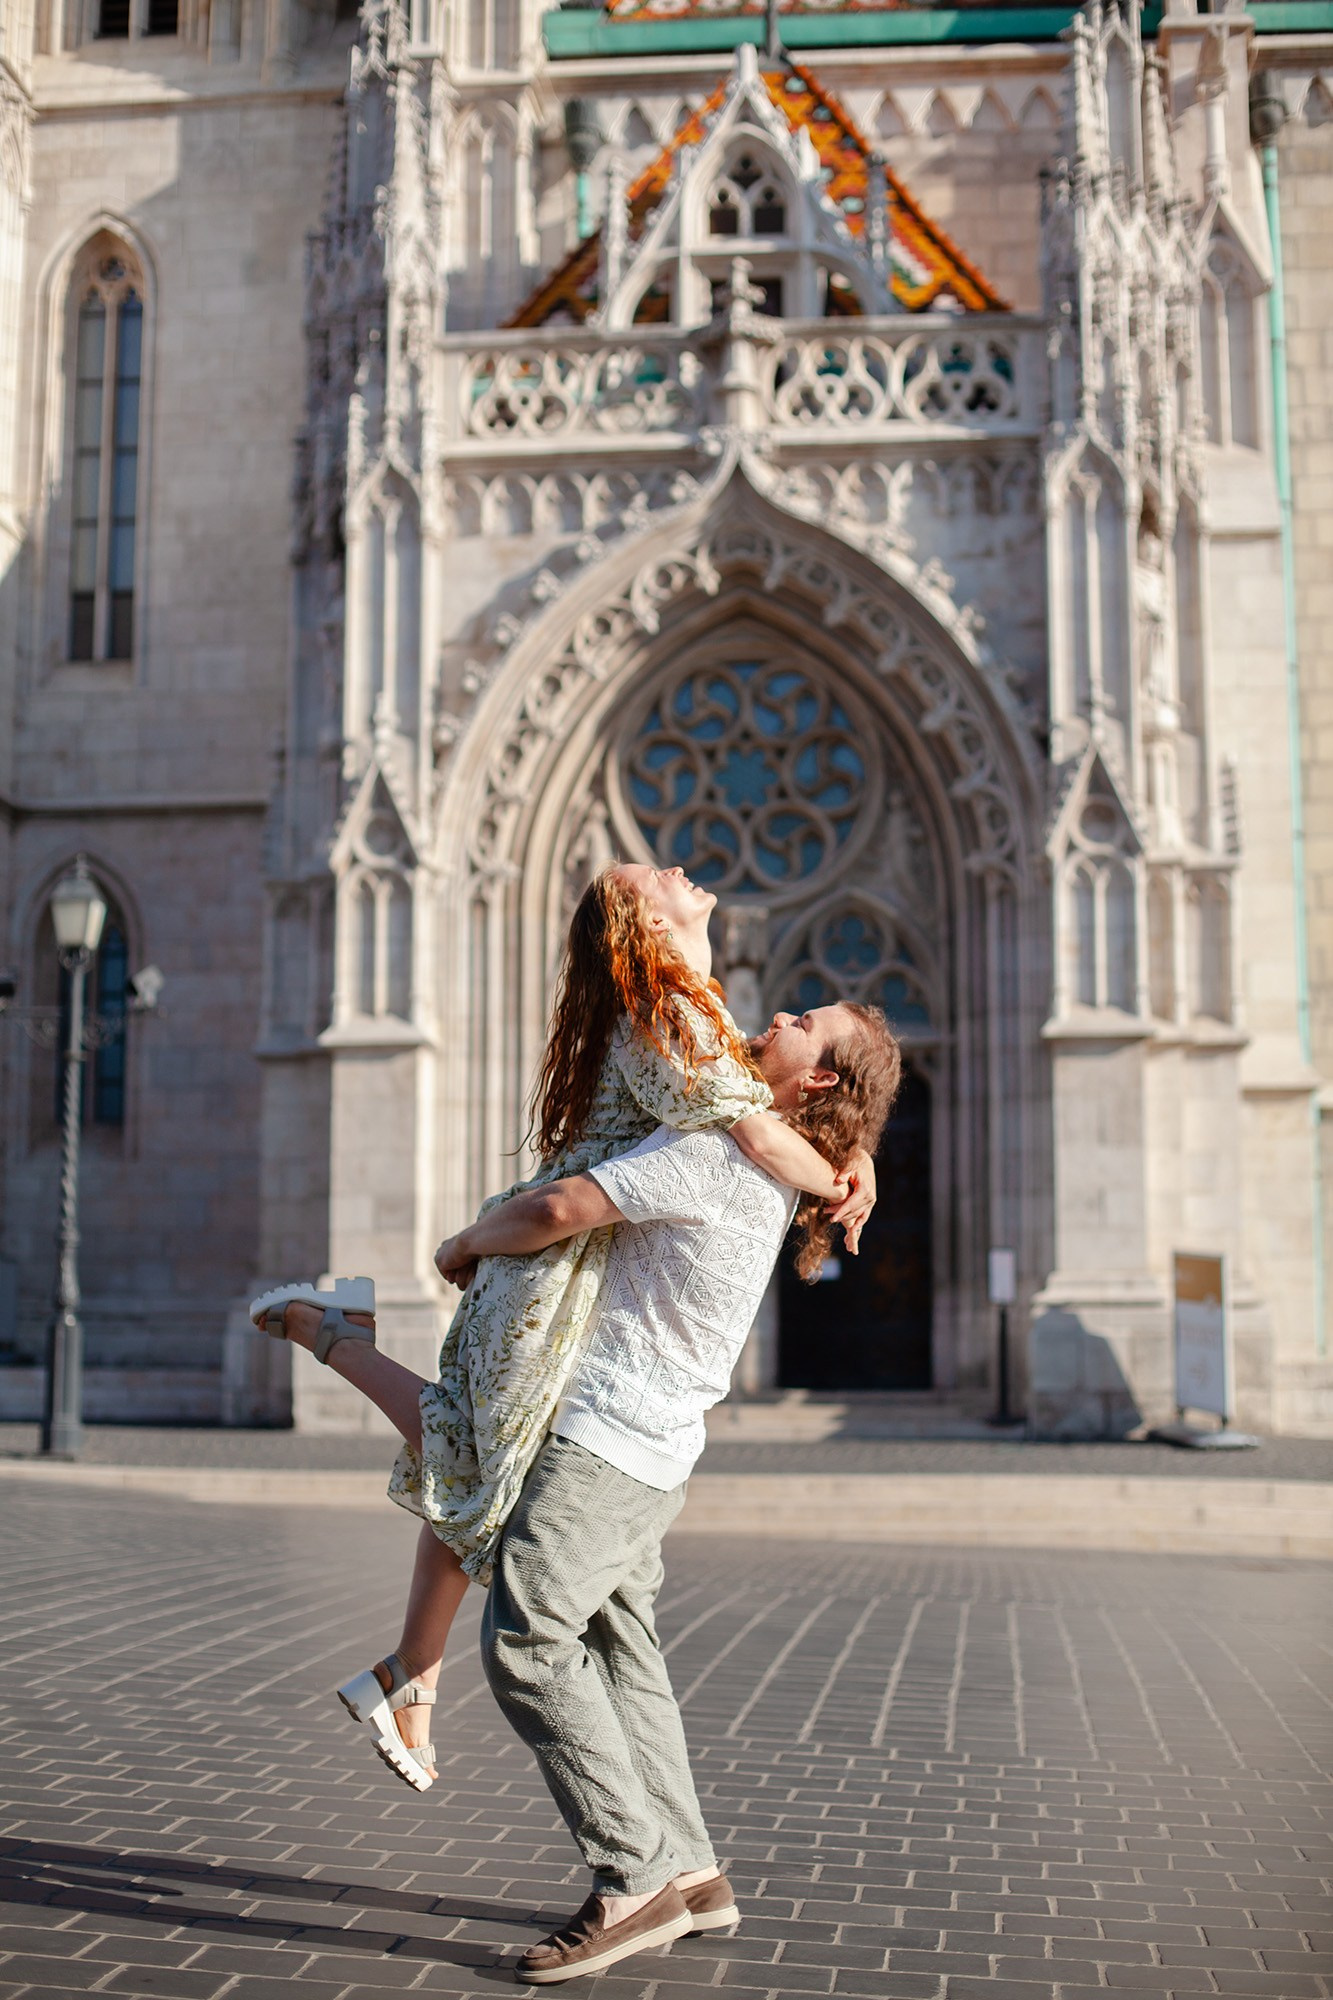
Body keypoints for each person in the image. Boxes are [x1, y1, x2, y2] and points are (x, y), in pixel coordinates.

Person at [251, 864, 876, 1790]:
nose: (673, 866)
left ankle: (409, 1669)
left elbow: (782, 1098)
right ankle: (333, 1340)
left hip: (566, 1254)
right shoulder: (669, 1012)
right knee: (476, 1447)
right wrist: (842, 1180)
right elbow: (757, 1130)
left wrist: (854, 1141)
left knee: (475, 1446)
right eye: (652, 878)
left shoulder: (693, 1012)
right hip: (551, 1253)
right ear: (649, 929)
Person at [436, 998, 903, 1983]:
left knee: (528, 1644)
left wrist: (467, 1241)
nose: (775, 1011)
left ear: (815, 1078)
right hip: (656, 1448)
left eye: (802, 1021)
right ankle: (689, 1867)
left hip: (605, 1439)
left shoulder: (722, 1152)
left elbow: (563, 1207)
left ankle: (633, 1876)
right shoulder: (768, 1156)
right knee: (620, 1646)